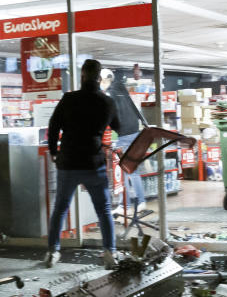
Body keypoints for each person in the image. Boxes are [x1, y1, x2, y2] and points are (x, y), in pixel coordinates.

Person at [45, 59, 121, 269]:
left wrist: (53, 151)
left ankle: (52, 252)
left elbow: (53, 127)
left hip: (68, 162)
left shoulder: (69, 99)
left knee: (60, 208)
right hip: (93, 163)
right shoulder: (107, 102)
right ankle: (109, 253)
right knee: (104, 210)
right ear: (99, 78)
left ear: (82, 76)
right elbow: (118, 126)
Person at [101, 67, 149, 213]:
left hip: (124, 135)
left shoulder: (109, 93)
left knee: (123, 172)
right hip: (135, 131)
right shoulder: (121, 88)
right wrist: (144, 122)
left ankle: (127, 205)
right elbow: (134, 107)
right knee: (131, 171)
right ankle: (137, 203)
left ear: (104, 80)